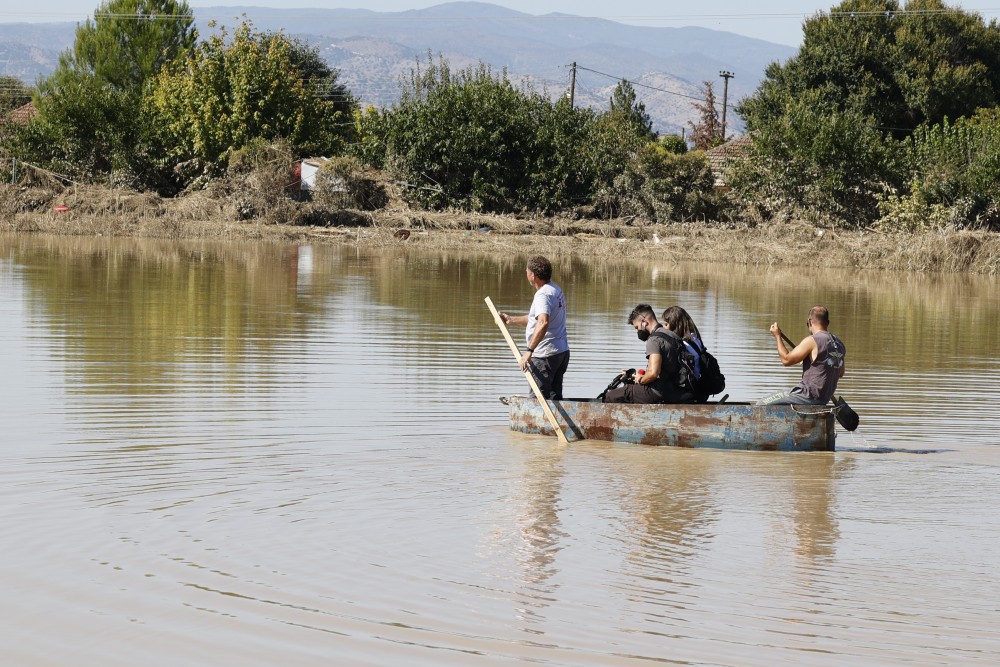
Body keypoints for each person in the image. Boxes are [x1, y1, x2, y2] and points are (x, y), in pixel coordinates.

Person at [498, 256, 570, 400]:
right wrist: (511, 320)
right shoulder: (555, 289)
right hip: (560, 352)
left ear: (533, 276)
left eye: (527, 271)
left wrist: (529, 351)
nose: (526, 273)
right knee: (554, 400)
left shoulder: (542, 295)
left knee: (538, 401)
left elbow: (543, 323)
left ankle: (537, 422)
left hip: (545, 355)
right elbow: (535, 320)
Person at [602, 304, 695, 404]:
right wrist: (635, 376)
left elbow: (653, 373)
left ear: (644, 322)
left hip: (657, 392)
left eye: (637, 328)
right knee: (631, 388)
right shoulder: (672, 335)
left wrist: (641, 380)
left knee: (611, 396)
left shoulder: (654, 340)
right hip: (673, 391)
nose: (638, 332)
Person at [758, 305, 846, 405]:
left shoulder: (812, 341)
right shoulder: (839, 344)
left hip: (807, 395)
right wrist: (809, 360)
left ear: (809, 322)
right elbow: (840, 372)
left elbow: (786, 360)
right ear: (828, 323)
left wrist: (777, 336)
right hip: (823, 399)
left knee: (761, 404)